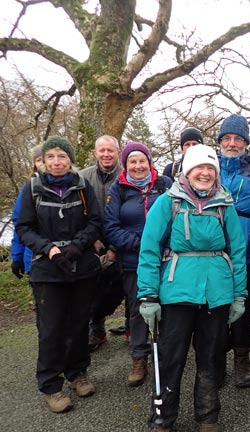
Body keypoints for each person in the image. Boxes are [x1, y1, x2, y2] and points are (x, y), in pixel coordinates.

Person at [137, 144, 247, 432]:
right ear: (187, 170)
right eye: (200, 167)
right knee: (170, 359)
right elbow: (149, 249)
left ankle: (208, 418)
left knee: (211, 359)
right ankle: (162, 418)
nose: (205, 173)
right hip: (176, 292)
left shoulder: (225, 205)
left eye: (211, 168)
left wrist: (239, 294)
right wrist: (148, 295)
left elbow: (238, 250)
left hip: (217, 294)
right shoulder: (168, 202)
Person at [16, 136, 102, 413]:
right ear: (43, 160)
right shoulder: (32, 189)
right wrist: (49, 249)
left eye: (62, 157)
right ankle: (51, 385)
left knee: (79, 323)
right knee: (51, 329)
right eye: (51, 156)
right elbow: (25, 227)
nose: (56, 162)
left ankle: (77, 373)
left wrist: (79, 245)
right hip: (47, 269)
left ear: (70, 160)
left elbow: (96, 221)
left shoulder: (82, 186)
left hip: (81, 265)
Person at [104, 141, 171, 387]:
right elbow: (110, 226)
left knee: (167, 307)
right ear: (126, 165)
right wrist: (140, 243)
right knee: (138, 310)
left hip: (166, 258)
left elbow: (176, 215)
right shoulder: (118, 189)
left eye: (142, 160)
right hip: (134, 260)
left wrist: (160, 242)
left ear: (149, 162)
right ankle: (139, 358)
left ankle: (165, 357)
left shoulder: (165, 185)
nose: (138, 165)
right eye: (132, 161)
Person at [217, 113, 250, 388]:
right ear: (219, 141)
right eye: (227, 138)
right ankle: (215, 360)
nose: (232, 143)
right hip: (213, 254)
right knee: (213, 307)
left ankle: (242, 357)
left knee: (245, 306)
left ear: (246, 143)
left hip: (247, 255)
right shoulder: (207, 167)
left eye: (238, 138)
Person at [79, 135, 124, 351]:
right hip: (91, 242)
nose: (106, 154)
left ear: (118, 152)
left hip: (122, 241)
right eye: (102, 150)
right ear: (95, 153)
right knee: (92, 289)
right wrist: (92, 238)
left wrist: (115, 247)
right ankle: (96, 329)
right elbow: (77, 212)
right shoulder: (82, 177)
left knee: (122, 288)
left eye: (111, 150)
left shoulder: (127, 175)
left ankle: (134, 327)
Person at [11, 144, 44, 279]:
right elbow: (20, 223)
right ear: (35, 164)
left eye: (45, 158)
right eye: (38, 160)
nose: (43, 163)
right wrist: (17, 256)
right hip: (33, 256)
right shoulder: (28, 189)